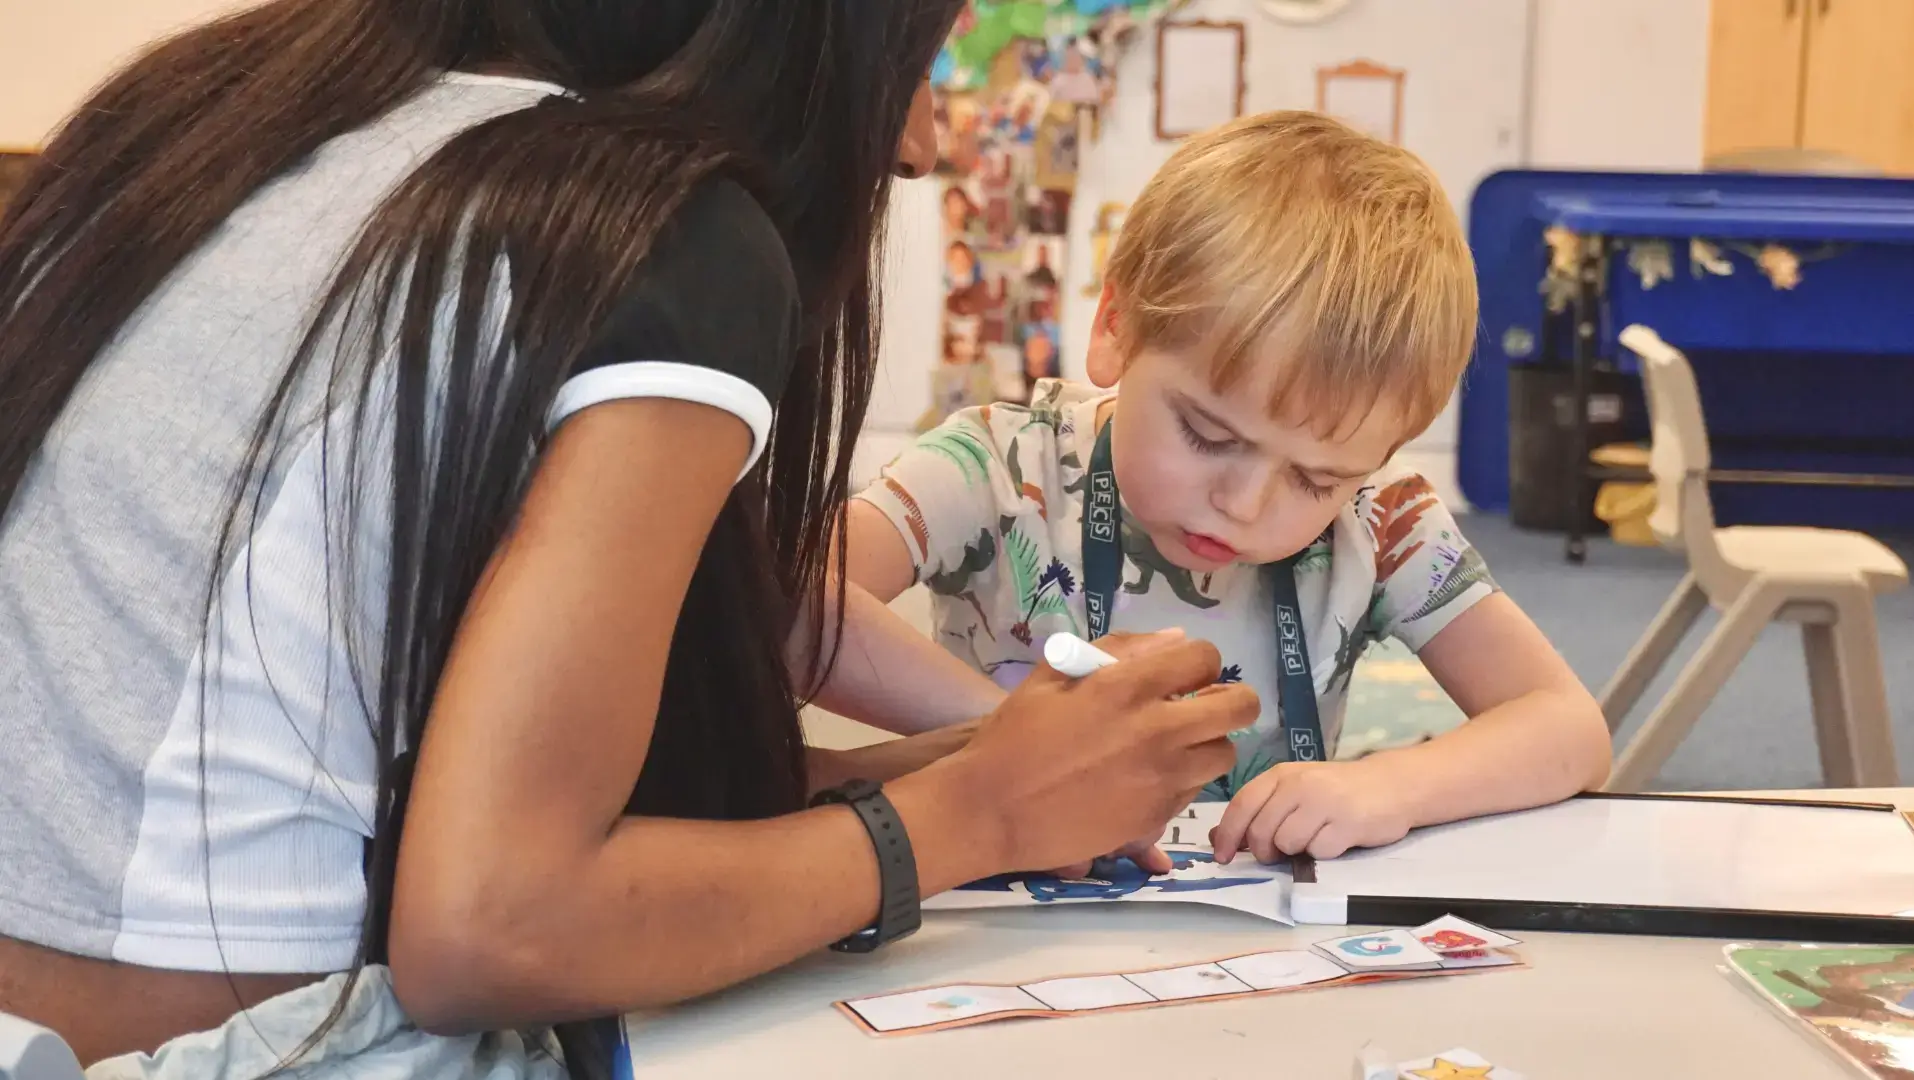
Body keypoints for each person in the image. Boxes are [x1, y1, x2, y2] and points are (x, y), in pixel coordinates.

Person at [0, 2, 1257, 1078]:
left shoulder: (206, 118)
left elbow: (380, 788)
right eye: (919, 60)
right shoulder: (643, 232)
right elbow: (494, 923)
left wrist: (967, 776)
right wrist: (976, 817)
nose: (923, 143)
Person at [842, 111, 1613, 866]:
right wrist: (1013, 737)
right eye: (1209, 436)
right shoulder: (994, 465)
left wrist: (1390, 787)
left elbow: (1570, 730)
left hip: (1236, 931)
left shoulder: (1378, 517)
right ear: (1115, 326)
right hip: (985, 906)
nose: (1244, 505)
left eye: (1315, 478)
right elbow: (776, 605)